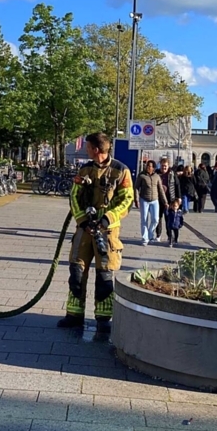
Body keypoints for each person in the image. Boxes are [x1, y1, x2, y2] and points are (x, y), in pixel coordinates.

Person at [59, 132, 134, 334]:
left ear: (96, 149)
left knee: (104, 275)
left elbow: (127, 200)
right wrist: (83, 220)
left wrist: (107, 218)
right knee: (76, 270)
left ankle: (103, 319)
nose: (86, 150)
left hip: (107, 231)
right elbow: (74, 195)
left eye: (88, 147)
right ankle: (74, 315)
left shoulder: (121, 171)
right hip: (84, 228)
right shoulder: (84, 169)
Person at [135, 160, 166, 245]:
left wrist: (165, 201)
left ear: (153, 168)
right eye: (147, 166)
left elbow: (161, 190)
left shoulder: (157, 176)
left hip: (155, 200)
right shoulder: (141, 175)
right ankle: (145, 238)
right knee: (144, 219)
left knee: (155, 219)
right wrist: (136, 199)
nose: (148, 167)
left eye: (150, 166)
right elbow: (136, 187)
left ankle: (150, 233)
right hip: (144, 199)